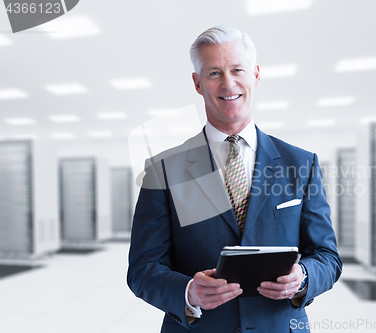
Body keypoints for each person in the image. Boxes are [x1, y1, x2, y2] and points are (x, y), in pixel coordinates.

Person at [127, 25, 342, 333]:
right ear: (197, 83)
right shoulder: (162, 169)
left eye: (237, 69)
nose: (228, 83)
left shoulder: (301, 164)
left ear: (255, 74)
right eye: (214, 73)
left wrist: (303, 277)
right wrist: (188, 292)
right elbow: (142, 269)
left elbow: (327, 257)